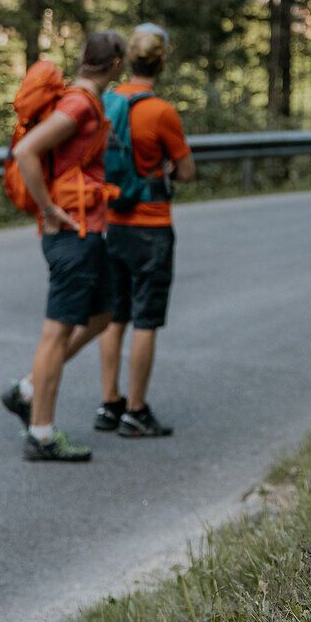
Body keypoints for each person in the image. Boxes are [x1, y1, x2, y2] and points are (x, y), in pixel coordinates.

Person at [0, 29, 125, 461]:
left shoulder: (83, 98)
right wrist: (49, 208)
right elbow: (27, 151)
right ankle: (41, 434)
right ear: (115, 65)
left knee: (103, 314)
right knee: (56, 334)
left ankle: (28, 388)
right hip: (72, 233)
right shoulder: (80, 103)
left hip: (87, 230)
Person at [96, 22, 194, 437]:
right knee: (145, 320)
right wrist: (166, 167)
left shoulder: (106, 102)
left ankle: (109, 403)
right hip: (152, 227)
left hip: (113, 222)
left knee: (114, 316)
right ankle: (136, 411)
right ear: (161, 61)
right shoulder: (161, 112)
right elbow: (186, 171)